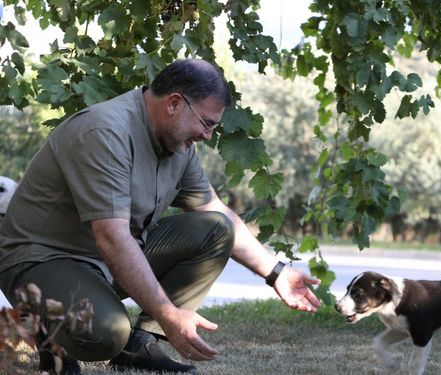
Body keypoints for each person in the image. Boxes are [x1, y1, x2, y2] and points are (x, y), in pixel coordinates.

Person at [0, 59, 321, 374]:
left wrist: (276, 272)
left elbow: (216, 211)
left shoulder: (178, 146)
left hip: (102, 260)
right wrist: (169, 313)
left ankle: (137, 346)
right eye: (207, 123)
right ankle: (50, 329)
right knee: (107, 332)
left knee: (216, 229)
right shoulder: (105, 132)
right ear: (174, 103)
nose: (208, 135)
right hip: (42, 260)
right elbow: (112, 238)